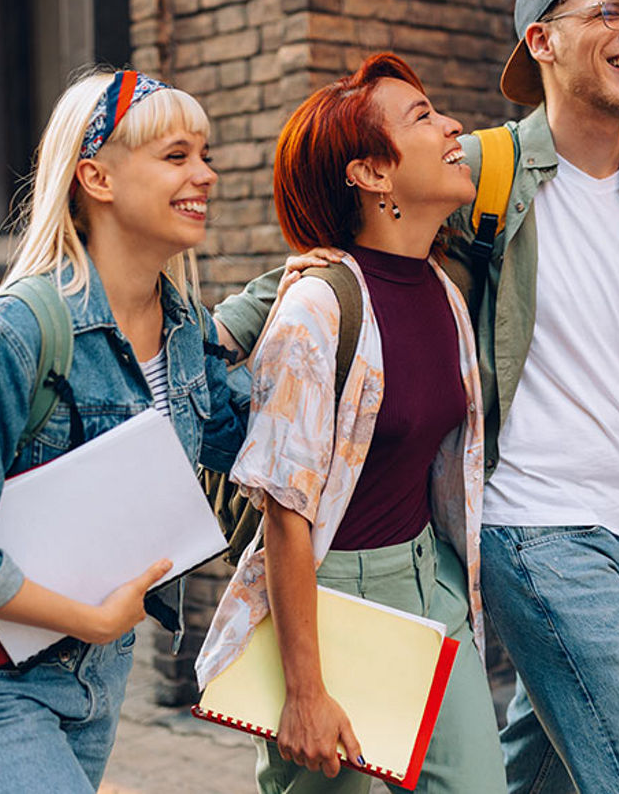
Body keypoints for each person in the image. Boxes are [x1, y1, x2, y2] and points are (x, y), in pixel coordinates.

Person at [211, 0, 619, 793]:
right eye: (609, 12)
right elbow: (356, 253)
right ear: (542, 41)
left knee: (528, 766)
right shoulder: (485, 169)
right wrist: (236, 320)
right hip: (532, 527)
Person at [0, 68, 253, 793]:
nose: (205, 174)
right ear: (96, 178)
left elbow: (258, 441)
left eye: (204, 155)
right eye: (176, 156)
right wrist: (89, 617)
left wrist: (315, 287)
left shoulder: (185, 330)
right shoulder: (20, 331)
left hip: (97, 676)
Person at [195, 53, 508, 794]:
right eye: (423, 117)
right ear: (371, 174)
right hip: (325, 602)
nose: (454, 126)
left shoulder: (444, 292)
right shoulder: (316, 307)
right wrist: (304, 691)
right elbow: (286, 513)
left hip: (430, 587)